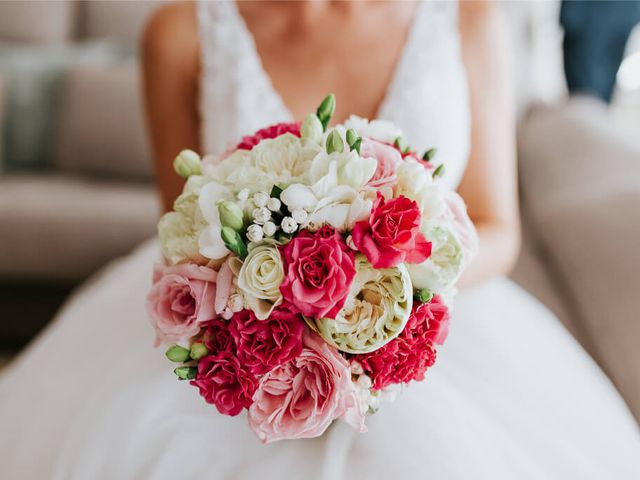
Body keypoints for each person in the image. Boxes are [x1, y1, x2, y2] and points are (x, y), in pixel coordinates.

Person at [1, 1, 639, 478]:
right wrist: (275, 300)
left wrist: (378, 287)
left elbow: (498, 230)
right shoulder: (180, 31)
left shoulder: (469, 18)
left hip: (438, 323)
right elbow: (182, 231)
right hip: (243, 323)